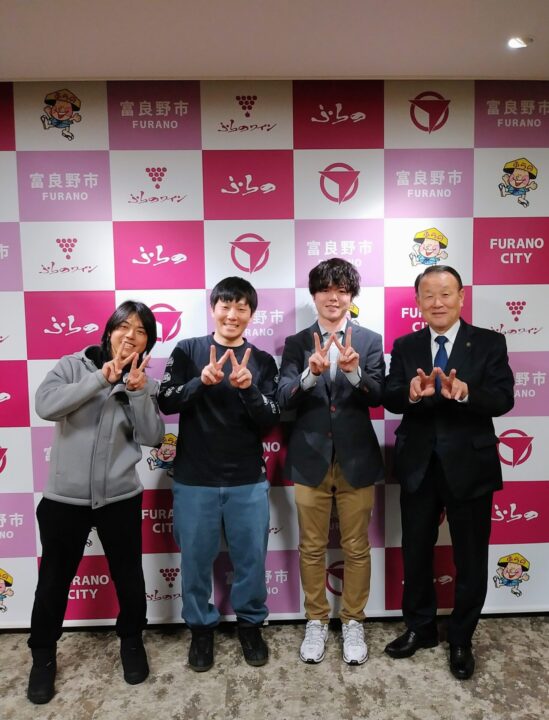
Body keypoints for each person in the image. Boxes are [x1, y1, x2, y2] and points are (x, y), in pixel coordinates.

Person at [27, 301, 164, 704]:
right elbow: (46, 405)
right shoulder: (72, 366)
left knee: (129, 577)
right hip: (64, 499)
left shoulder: (143, 381)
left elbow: (153, 437)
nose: (131, 335)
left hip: (120, 497)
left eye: (141, 330)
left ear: (148, 343)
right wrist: (102, 378)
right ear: (109, 331)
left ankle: (132, 641)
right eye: (124, 326)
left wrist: (138, 393)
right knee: (53, 581)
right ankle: (43, 655)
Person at [383, 265, 514, 680]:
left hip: (470, 466)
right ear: (418, 302)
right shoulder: (406, 345)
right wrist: (409, 393)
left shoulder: (489, 342)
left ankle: (461, 637)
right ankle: (420, 628)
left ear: (461, 297)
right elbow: (389, 396)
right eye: (429, 295)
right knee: (416, 551)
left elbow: (504, 398)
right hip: (418, 465)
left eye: (445, 294)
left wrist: (467, 392)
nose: (437, 303)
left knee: (470, 557)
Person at [158, 277, 279, 672]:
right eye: (226, 305)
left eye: (241, 307)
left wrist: (249, 389)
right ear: (213, 309)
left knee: (251, 561)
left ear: (251, 314)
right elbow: (165, 401)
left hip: (247, 480)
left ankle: (250, 625)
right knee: (195, 562)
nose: (232, 314)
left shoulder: (262, 361)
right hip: (195, 479)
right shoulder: (188, 349)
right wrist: (201, 382)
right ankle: (200, 629)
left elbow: (272, 417)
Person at [278, 258, 384, 665]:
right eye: (325, 289)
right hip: (310, 458)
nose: (333, 297)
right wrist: (309, 375)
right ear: (314, 295)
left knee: (357, 546)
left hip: (356, 458)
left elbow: (380, 396)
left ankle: (353, 620)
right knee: (311, 546)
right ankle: (316, 620)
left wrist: (355, 374)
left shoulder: (370, 340)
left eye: (341, 290)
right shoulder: (297, 343)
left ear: (352, 296)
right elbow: (283, 396)